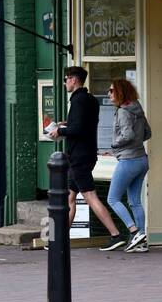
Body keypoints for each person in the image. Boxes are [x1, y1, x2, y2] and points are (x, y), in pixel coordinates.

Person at [48, 67, 125, 251]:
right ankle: (59, 239)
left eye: (66, 78)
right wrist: (66, 125)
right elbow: (83, 124)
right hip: (87, 154)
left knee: (90, 196)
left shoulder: (79, 101)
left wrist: (60, 131)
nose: (65, 82)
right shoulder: (89, 100)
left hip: (79, 157)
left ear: (74, 80)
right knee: (70, 198)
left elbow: (79, 129)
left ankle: (116, 234)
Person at [107, 78, 151, 254]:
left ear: (120, 92)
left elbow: (128, 134)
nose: (109, 94)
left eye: (111, 91)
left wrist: (114, 145)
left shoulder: (124, 112)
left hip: (128, 160)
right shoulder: (137, 108)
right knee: (134, 201)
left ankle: (134, 232)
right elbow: (148, 132)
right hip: (141, 159)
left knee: (112, 199)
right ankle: (141, 240)